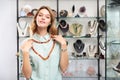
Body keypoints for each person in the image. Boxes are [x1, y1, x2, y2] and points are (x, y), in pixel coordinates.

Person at [19, 6, 69, 80]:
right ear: (36, 19)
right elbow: (27, 76)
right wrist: (25, 53)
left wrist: (64, 45)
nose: (43, 18)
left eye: (47, 17)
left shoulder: (58, 42)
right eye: (40, 15)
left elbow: (64, 69)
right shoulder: (26, 43)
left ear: (50, 22)